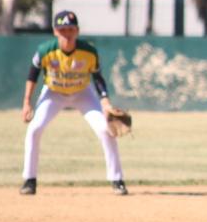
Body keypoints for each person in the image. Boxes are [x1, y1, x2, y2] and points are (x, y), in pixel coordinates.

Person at [20, 10, 128, 196]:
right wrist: (27, 102)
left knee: (105, 129)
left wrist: (106, 103)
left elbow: (98, 78)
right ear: (55, 31)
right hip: (53, 92)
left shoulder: (88, 52)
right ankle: (29, 180)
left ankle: (117, 180)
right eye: (63, 30)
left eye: (70, 29)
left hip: (82, 92)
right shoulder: (45, 50)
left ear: (77, 31)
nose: (67, 34)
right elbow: (32, 75)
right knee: (34, 129)